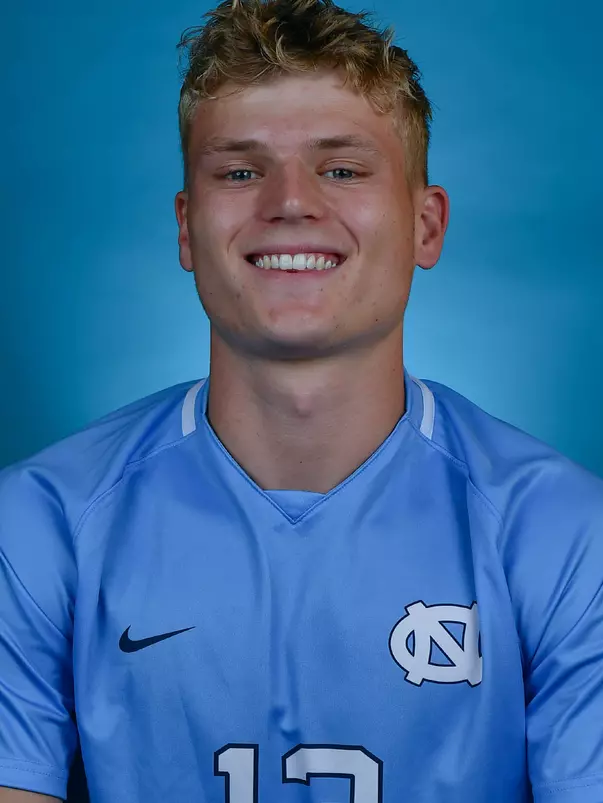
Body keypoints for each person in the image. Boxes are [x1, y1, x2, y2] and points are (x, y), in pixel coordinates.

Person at [1, 0, 602, 800]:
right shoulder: (42, 522)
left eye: (342, 168)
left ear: (426, 226)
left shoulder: (563, 532)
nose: (289, 201)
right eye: (240, 170)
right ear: (187, 228)